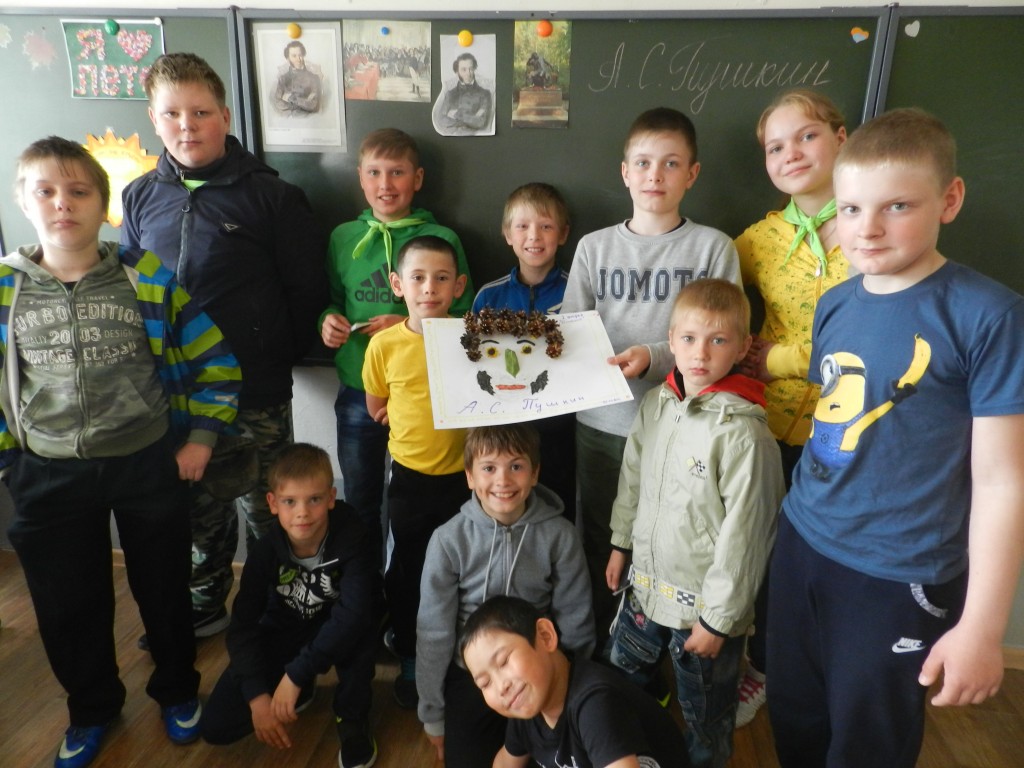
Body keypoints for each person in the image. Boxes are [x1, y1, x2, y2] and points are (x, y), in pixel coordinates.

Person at [767, 108, 1024, 768]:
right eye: (851, 209)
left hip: (896, 574)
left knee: (867, 742)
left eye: (897, 206)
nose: (868, 229)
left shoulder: (988, 315)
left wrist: (983, 627)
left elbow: (1002, 480)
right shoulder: (836, 302)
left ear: (950, 200)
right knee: (795, 717)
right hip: (802, 543)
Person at [3, 136, 241, 768]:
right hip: (47, 471)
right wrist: (10, 462)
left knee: (165, 589)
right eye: (46, 191)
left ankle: (177, 690)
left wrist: (201, 437)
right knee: (67, 603)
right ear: (24, 201)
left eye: (79, 191)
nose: (63, 203)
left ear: (102, 205)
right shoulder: (6, 288)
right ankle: (91, 709)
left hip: (145, 462)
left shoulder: (146, 277)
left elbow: (216, 360)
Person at [121, 52, 327, 645]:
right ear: (154, 119)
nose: (187, 125)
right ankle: (206, 600)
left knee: (271, 509)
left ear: (226, 116)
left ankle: (284, 608)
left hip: (254, 389)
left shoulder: (272, 197)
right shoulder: (139, 197)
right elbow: (135, 286)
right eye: (172, 114)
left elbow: (306, 292)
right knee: (197, 511)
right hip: (176, 395)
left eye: (201, 112)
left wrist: (271, 358)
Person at [562, 107, 740, 631]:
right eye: (642, 163)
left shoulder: (713, 248)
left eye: (670, 163)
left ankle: (654, 642)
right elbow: (570, 332)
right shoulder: (594, 248)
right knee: (601, 537)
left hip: (683, 424)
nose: (654, 176)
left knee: (672, 540)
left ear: (692, 173)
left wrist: (655, 357)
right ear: (625, 172)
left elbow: (724, 337)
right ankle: (603, 641)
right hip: (603, 423)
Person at [605, 278, 784, 768]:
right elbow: (633, 478)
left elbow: (748, 539)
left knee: (705, 716)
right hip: (643, 590)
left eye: (718, 340)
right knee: (621, 690)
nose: (700, 353)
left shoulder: (745, 436)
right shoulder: (656, 404)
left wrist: (718, 621)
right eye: (688, 338)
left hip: (703, 617)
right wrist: (620, 543)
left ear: (743, 347)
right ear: (671, 339)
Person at [731, 89, 851, 728]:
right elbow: (706, 290)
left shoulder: (871, 225)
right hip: (770, 423)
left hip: (851, 428)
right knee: (767, 553)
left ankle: (827, 667)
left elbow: (875, 335)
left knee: (829, 559)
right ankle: (764, 665)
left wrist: (777, 356)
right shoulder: (758, 240)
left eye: (806, 136)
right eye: (775, 146)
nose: (791, 154)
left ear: (840, 137)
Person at [320, 128, 474, 570]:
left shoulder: (441, 238)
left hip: (427, 395)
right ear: (360, 178)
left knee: (419, 500)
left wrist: (406, 327)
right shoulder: (344, 237)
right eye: (374, 173)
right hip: (359, 387)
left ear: (417, 178)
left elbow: (466, 314)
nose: (385, 184)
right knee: (361, 498)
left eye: (397, 173)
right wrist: (326, 321)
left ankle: (423, 588)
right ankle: (366, 590)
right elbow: (331, 299)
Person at [417, 424, 595, 766]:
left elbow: (576, 619)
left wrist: (572, 697)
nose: (503, 480)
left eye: (516, 466)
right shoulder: (448, 540)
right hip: (473, 676)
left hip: (536, 670)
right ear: (470, 476)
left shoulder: (561, 535)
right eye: (488, 468)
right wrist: (433, 714)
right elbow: (433, 633)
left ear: (535, 473)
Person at [199, 443, 381, 768]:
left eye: (314, 499)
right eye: (289, 501)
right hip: (289, 627)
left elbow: (353, 614)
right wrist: (257, 697)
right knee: (216, 726)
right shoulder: (265, 552)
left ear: (331, 498)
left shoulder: (353, 535)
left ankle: (351, 718)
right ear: (272, 503)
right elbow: (242, 628)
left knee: (359, 633)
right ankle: (303, 687)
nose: (302, 513)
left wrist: (295, 674)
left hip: (342, 627)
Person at [361, 235, 471, 710]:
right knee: (408, 572)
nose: (429, 288)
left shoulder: (472, 337)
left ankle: (461, 653)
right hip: (409, 481)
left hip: (466, 483)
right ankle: (409, 652)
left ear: (458, 286)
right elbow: (376, 406)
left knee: (461, 569)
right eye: (418, 278)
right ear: (397, 284)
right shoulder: (384, 345)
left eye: (441, 278)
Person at [461, 595, 691, 768]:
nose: (501, 686)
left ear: (545, 636)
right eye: (484, 683)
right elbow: (505, 762)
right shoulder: (526, 704)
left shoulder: (595, 704)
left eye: (503, 661)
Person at [472, 183, 576, 518]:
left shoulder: (577, 291)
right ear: (507, 234)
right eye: (522, 226)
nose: (534, 236)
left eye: (546, 226)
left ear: (563, 234)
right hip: (502, 429)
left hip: (560, 428)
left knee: (557, 509)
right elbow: (473, 364)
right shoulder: (489, 296)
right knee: (502, 510)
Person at [435, 52, 493, 136]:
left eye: (471, 69)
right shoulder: (450, 94)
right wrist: (470, 119)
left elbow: (481, 122)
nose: (468, 73)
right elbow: (441, 119)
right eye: (464, 69)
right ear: (457, 72)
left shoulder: (485, 94)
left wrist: (457, 115)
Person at [274, 41, 322, 115]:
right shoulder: (283, 78)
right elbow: (277, 102)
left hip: (307, 118)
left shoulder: (314, 78)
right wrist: (303, 102)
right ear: (288, 58)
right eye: (294, 56)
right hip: (286, 118)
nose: (298, 59)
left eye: (300, 55)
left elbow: (313, 105)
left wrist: (291, 98)